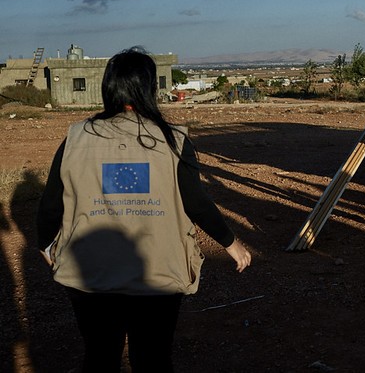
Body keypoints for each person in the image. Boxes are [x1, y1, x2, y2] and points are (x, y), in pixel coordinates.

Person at [36, 47, 251, 372]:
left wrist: (45, 243)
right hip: (156, 276)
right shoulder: (174, 140)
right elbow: (196, 203)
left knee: (99, 357)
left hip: (90, 275)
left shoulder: (75, 138)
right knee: (153, 358)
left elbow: (51, 203)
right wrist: (232, 244)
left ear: (108, 88)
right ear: (149, 89)